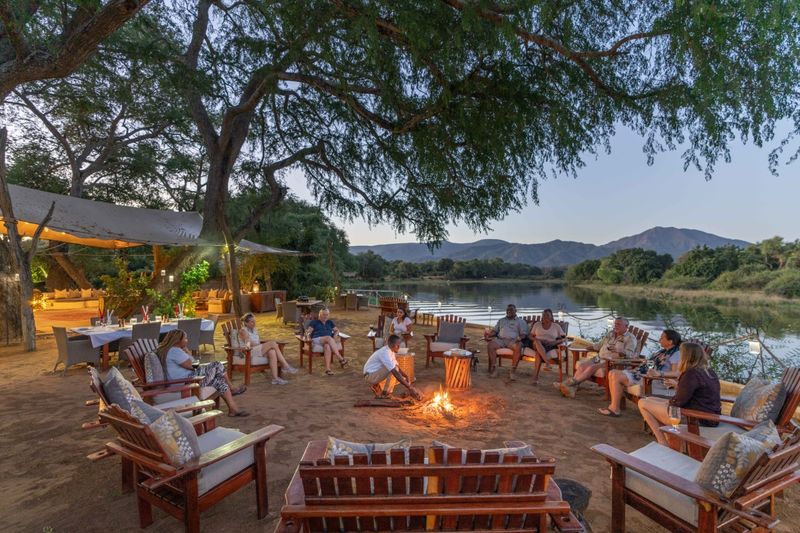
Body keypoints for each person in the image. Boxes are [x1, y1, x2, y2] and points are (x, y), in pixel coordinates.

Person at [639, 342, 721, 444]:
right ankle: (667, 436)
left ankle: (663, 441)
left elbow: (677, 402)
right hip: (708, 416)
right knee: (649, 399)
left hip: (695, 418)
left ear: (686, 356)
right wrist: (677, 386)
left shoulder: (691, 374)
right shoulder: (708, 371)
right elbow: (696, 393)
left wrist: (667, 403)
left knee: (642, 403)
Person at [157, 329, 250, 417]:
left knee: (219, 380)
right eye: (185, 338)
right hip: (186, 383)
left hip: (183, 381)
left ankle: (233, 409)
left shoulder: (170, 350)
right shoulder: (174, 351)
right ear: (177, 340)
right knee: (217, 365)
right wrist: (188, 353)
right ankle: (232, 388)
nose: (187, 340)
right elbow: (194, 366)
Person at [598, 329, 682, 417]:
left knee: (615, 375)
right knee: (612, 373)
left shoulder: (676, 354)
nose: (659, 339)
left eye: (662, 338)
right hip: (644, 376)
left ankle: (615, 409)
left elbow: (676, 373)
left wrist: (659, 373)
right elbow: (649, 364)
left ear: (670, 341)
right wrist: (638, 369)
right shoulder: (662, 352)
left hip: (654, 381)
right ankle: (614, 407)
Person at [556, 316, 636, 398]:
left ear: (626, 327)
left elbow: (629, 354)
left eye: (618, 324)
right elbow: (599, 345)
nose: (615, 326)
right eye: (615, 324)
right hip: (598, 358)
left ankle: (568, 384)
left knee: (591, 367)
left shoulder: (630, 338)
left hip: (612, 362)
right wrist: (589, 347)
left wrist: (619, 350)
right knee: (582, 366)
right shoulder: (611, 333)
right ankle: (571, 388)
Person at [238, 313, 298, 385]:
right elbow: (249, 343)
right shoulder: (243, 331)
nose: (254, 323)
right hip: (249, 352)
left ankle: (275, 379)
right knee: (272, 343)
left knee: (272, 351)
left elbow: (257, 342)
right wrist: (265, 345)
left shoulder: (254, 330)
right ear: (246, 323)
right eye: (252, 322)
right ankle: (286, 366)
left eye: (254, 321)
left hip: (257, 349)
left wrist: (264, 345)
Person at [363, 334, 423, 400]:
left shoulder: (390, 351)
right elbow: (395, 371)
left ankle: (377, 386)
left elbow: (396, 365)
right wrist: (410, 387)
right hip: (369, 376)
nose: (399, 347)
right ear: (392, 345)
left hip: (374, 374)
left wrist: (406, 376)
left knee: (396, 370)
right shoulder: (385, 353)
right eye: (398, 345)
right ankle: (386, 394)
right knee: (394, 371)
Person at [485, 304, 529, 379]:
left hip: (513, 341)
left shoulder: (520, 322)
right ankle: (494, 369)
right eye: (508, 310)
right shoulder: (501, 320)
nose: (509, 311)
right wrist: (489, 335)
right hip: (501, 340)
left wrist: (519, 338)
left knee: (518, 346)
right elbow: (495, 331)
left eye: (511, 310)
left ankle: (513, 371)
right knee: (490, 345)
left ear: (515, 311)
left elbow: (523, 334)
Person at [306, 308, 348, 375]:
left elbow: (337, 330)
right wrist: (308, 337)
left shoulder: (330, 322)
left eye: (327, 314)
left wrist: (335, 335)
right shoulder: (314, 322)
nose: (325, 316)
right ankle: (340, 358)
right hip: (317, 339)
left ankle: (328, 369)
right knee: (329, 338)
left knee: (327, 346)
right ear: (319, 315)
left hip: (328, 341)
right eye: (323, 314)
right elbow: (308, 332)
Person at [530, 309, 566, 385]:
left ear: (551, 317)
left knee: (538, 354)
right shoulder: (537, 325)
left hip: (550, 345)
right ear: (542, 316)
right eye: (544, 315)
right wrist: (536, 339)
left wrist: (555, 342)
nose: (545, 317)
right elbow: (530, 336)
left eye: (547, 315)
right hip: (536, 344)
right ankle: (547, 363)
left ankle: (535, 378)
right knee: (537, 342)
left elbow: (564, 338)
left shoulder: (556, 326)